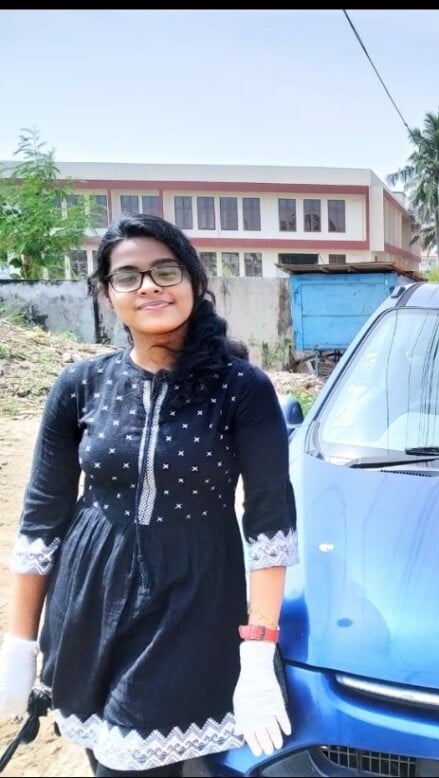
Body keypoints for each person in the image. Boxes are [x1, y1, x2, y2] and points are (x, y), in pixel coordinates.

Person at [0, 213, 299, 776]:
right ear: (106, 292)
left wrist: (258, 652)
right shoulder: (79, 385)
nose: (149, 287)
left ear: (194, 280)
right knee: (104, 757)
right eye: (128, 276)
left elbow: (270, 525)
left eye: (165, 270)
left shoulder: (242, 388)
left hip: (193, 601)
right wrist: (18, 647)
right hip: (88, 598)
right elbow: (40, 519)